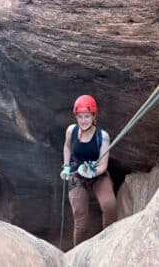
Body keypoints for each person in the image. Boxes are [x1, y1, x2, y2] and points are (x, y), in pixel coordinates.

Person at [60, 95, 117, 246]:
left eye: (87, 116)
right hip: (77, 175)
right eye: (80, 116)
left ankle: (108, 243)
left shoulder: (102, 136)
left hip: (97, 174)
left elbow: (103, 165)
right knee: (81, 220)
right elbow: (67, 147)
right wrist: (66, 166)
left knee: (109, 205)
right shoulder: (71, 130)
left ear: (94, 116)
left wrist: (92, 172)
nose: (83, 120)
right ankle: (76, 253)